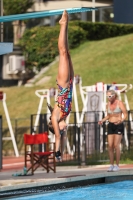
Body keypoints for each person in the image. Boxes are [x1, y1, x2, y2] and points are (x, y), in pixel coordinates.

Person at [47, 10, 74, 162]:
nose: (64, 130)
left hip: (63, 84)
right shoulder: (64, 116)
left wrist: (57, 154)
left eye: (63, 129)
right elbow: (62, 137)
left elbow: (58, 136)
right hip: (68, 84)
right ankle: (66, 23)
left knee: (63, 53)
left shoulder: (55, 116)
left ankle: (63, 24)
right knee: (67, 53)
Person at [98, 90, 127, 172]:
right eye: (107, 96)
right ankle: (111, 165)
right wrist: (102, 120)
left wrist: (121, 120)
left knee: (116, 145)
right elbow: (108, 116)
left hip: (118, 125)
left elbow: (125, 114)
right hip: (110, 125)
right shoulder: (108, 104)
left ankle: (117, 165)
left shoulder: (119, 103)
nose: (108, 98)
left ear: (114, 96)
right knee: (110, 146)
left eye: (110, 96)